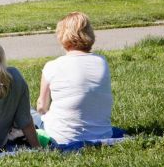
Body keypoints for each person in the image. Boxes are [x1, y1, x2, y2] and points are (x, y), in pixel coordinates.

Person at [35, 12, 113, 144]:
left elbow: (42, 106)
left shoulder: (52, 66)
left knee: (29, 115)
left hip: (61, 137)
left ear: (62, 35)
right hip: (104, 134)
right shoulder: (102, 62)